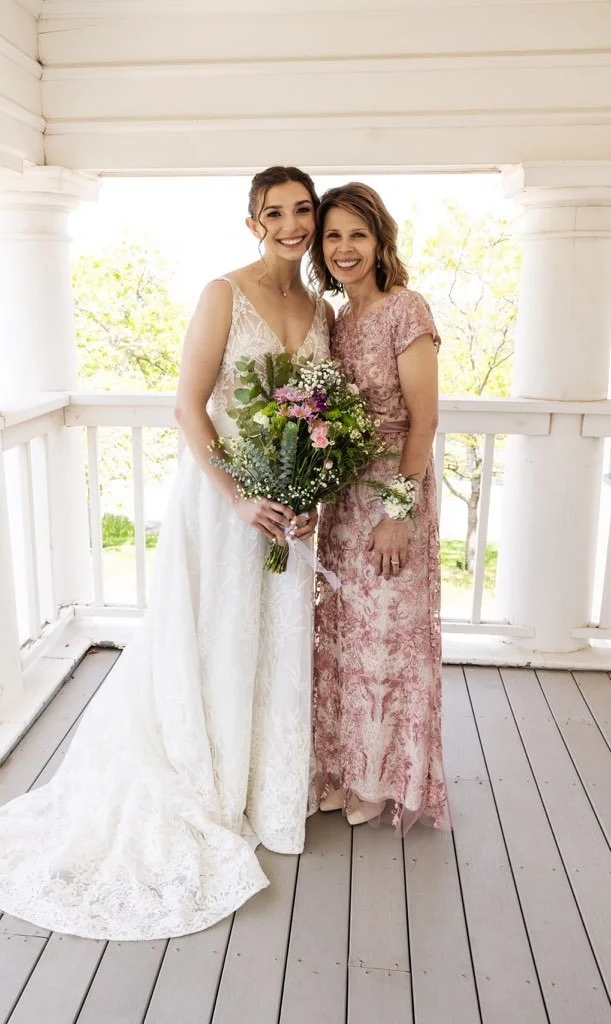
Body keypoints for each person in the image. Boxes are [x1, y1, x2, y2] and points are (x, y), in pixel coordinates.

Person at [0, 166, 332, 940]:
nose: (292, 224)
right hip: (226, 500)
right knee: (210, 632)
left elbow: (318, 416)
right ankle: (201, 775)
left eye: (302, 210)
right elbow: (187, 406)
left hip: (289, 500)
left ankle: (264, 787)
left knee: (274, 638)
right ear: (252, 223)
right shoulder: (225, 291)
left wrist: (307, 490)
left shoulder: (317, 306)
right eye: (274, 212)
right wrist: (239, 496)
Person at [310, 182, 451, 835]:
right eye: (332, 235)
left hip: (392, 496)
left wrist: (398, 511)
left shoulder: (405, 309)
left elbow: (422, 422)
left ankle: (380, 778)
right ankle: (343, 770)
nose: (343, 248)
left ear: (378, 241)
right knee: (346, 641)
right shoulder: (337, 320)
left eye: (356, 235)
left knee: (386, 643)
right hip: (342, 501)